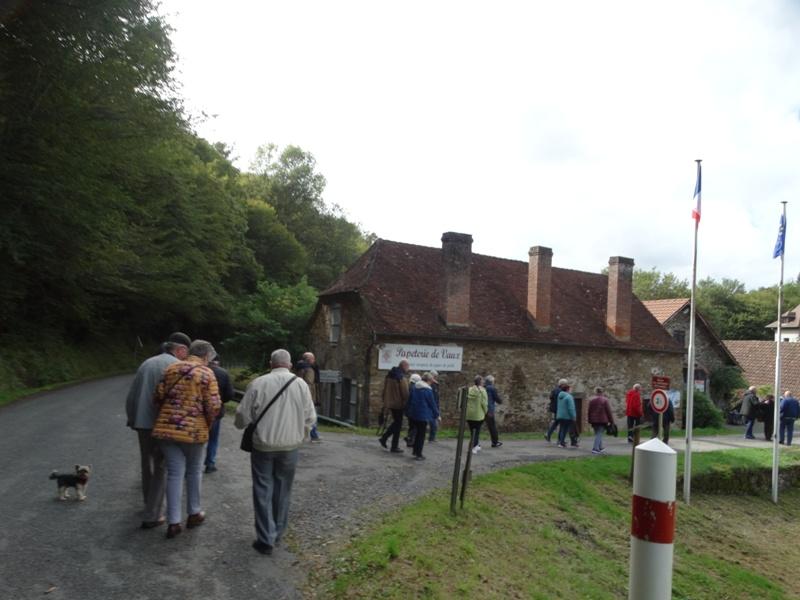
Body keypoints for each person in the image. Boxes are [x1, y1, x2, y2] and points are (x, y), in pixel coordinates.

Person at [235, 349, 316, 556]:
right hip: (290, 446)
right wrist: (301, 436)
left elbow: (241, 416)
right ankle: (278, 532)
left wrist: (243, 424)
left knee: (262, 489)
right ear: (289, 365)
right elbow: (310, 417)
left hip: (263, 445)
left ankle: (265, 537)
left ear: (271, 364)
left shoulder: (258, 383)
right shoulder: (301, 385)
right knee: (283, 490)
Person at [152, 340, 221, 539]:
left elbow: (157, 396)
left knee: (174, 472)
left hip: (166, 429)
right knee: (193, 471)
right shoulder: (207, 373)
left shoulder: (171, 368)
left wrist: (167, 416)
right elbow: (213, 405)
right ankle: (194, 513)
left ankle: (173, 522)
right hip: (194, 431)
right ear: (206, 356)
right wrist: (206, 423)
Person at [125, 331, 191, 529]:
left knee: (148, 464)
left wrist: (132, 418)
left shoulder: (147, 363)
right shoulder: (176, 367)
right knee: (161, 467)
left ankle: (149, 504)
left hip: (141, 422)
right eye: (186, 353)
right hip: (163, 424)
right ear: (180, 350)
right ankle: (153, 514)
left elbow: (132, 395)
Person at [204, 355, 236, 473]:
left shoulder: (200, 370)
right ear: (218, 361)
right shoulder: (223, 373)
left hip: (199, 412)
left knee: (197, 438)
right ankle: (210, 463)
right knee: (213, 438)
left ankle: (191, 465)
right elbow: (230, 394)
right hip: (216, 411)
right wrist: (221, 401)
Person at [378, 360, 410, 453]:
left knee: (397, 423)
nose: (409, 368)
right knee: (398, 424)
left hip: (390, 402)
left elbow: (385, 389)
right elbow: (405, 393)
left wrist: (385, 401)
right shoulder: (400, 377)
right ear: (403, 366)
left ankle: (391, 443)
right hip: (398, 404)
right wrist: (407, 402)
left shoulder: (390, 375)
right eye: (408, 366)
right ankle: (387, 440)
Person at [406, 373, 439, 460]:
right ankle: (418, 454)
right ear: (428, 381)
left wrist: (407, 411)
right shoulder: (428, 390)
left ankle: (415, 451)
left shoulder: (415, 387)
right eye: (431, 381)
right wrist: (437, 415)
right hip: (422, 415)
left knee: (417, 433)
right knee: (421, 435)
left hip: (414, 414)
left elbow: (409, 400)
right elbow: (432, 404)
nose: (432, 383)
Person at [295, 352, 321, 442]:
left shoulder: (298, 368)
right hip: (309, 396)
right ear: (309, 359)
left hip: (299, 395)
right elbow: (309, 383)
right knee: (312, 415)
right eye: (313, 358)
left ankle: (303, 434)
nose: (314, 360)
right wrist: (310, 398)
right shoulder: (309, 369)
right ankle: (314, 435)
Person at [587, 387, 614, 454]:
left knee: (598, 433)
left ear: (595, 392)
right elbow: (608, 411)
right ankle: (595, 448)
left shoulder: (591, 400)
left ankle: (600, 447)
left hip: (594, 420)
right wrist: (611, 421)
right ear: (602, 392)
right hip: (602, 420)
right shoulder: (605, 400)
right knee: (599, 434)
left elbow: (589, 411)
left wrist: (589, 420)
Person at [467, 376, 488, 454]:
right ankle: (473, 447)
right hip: (478, 414)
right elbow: (484, 403)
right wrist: (486, 412)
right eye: (483, 381)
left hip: (469, 414)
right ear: (481, 382)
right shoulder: (482, 391)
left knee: (472, 431)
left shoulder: (469, 390)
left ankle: (476, 445)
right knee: (476, 431)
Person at [545, 379, 567, 443]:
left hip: (555, 409)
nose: (566, 386)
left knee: (556, 422)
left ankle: (549, 434)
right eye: (565, 384)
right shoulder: (560, 391)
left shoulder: (554, 390)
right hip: (559, 409)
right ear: (562, 384)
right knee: (561, 423)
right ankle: (559, 439)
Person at [484, 375, 503, 448]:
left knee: (477, 427)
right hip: (489, 411)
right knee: (492, 427)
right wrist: (500, 401)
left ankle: (475, 443)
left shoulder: (483, 387)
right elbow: (497, 398)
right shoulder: (492, 388)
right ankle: (495, 442)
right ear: (491, 381)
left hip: (482, 410)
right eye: (493, 381)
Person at [556, 383, 577, 449]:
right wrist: (573, 416)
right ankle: (570, 442)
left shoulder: (559, 396)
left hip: (560, 415)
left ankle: (561, 442)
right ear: (567, 389)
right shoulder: (569, 397)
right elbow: (571, 408)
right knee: (569, 429)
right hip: (567, 416)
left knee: (562, 429)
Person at [404, 373, 422, 447]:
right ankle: (410, 439)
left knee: (411, 426)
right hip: (413, 411)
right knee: (415, 427)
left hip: (408, 410)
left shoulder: (409, 387)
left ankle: (410, 440)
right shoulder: (415, 388)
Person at [428, 370, 441, 442]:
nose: (436, 378)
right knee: (433, 423)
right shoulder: (431, 385)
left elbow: (436, 397)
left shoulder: (435, 384)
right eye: (435, 376)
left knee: (434, 423)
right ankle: (431, 438)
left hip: (435, 406)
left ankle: (432, 437)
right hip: (431, 406)